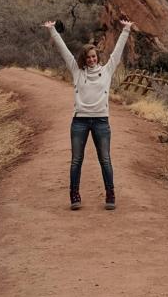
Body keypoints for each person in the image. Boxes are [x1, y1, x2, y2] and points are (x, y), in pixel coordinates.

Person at [43, 18, 134, 210]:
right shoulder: (77, 71)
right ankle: (74, 195)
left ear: (97, 57)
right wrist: (52, 31)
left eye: (94, 56)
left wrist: (126, 30)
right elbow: (64, 52)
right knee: (76, 160)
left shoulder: (107, 71)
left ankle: (110, 194)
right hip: (80, 122)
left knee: (105, 159)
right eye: (88, 57)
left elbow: (117, 53)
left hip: (101, 121)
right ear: (83, 59)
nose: (92, 59)